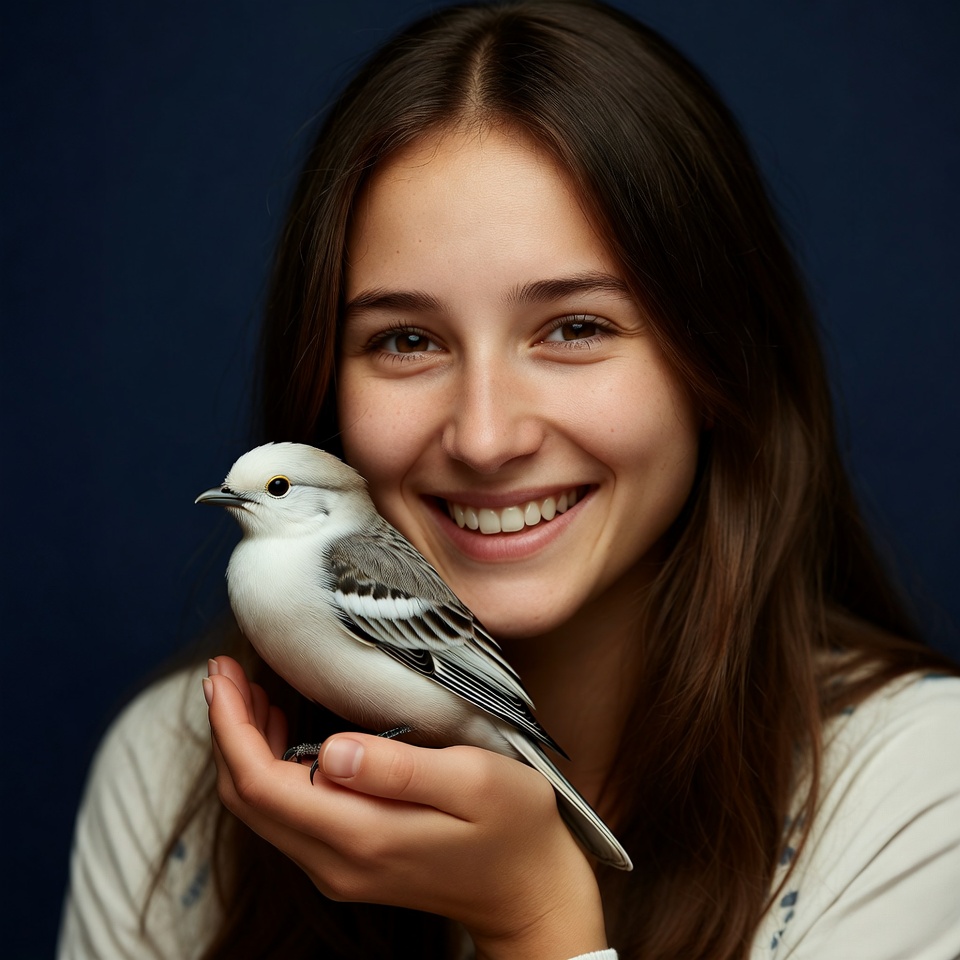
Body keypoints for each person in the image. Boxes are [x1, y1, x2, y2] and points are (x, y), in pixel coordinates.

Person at [57, 2, 960, 958]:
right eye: (406, 340)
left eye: (575, 327)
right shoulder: (171, 778)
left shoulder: (921, 793)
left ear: (718, 364)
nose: (485, 437)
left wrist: (536, 924)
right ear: (323, 382)